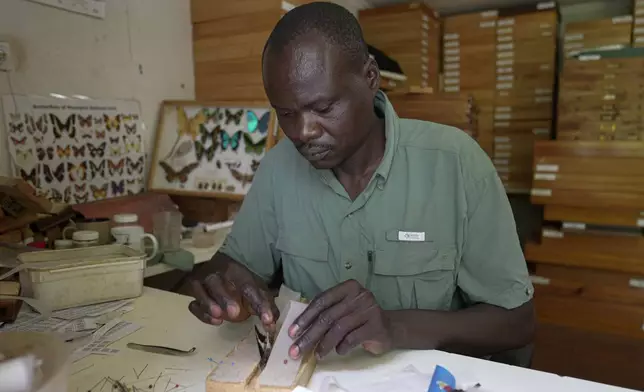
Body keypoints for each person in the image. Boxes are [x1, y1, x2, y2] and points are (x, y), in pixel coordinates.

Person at [189, 1, 535, 362]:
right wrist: (224, 290)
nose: (303, 132)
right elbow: (232, 265)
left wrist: (394, 327)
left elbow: (517, 322)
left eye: (323, 108)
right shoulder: (279, 167)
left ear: (371, 77)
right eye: (287, 114)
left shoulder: (457, 164)